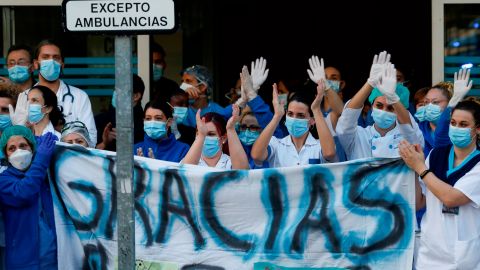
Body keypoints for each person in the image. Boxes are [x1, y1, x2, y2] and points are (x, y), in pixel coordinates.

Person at [399, 99, 480, 269]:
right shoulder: (436, 155)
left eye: (463, 124)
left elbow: (451, 198)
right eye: (453, 123)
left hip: (465, 256)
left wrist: (420, 167)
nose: (456, 128)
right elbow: (420, 202)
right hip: (430, 252)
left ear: (477, 129)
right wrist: (412, 168)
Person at [336, 51, 424, 160]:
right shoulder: (359, 136)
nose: (384, 111)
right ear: (372, 106)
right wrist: (370, 83)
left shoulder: (408, 137)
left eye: (391, 107)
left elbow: (409, 130)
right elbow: (346, 121)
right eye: (379, 105)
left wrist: (393, 98)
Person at [9, 39, 97, 144]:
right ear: (36, 64)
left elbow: (91, 138)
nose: (51, 61)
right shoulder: (24, 96)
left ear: (62, 65)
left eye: (56, 58)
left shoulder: (79, 96)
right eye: (45, 57)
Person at [0, 126, 58, 270]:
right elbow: (24, 192)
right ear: (6, 155)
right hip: (22, 262)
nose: (18, 151)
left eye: (23, 146)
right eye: (11, 148)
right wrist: (41, 159)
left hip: (53, 259)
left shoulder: (46, 176)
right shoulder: (3, 180)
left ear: (32, 149)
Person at [251, 80, 337, 168]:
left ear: (312, 120)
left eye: (300, 115)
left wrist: (316, 110)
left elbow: (329, 153)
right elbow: (256, 155)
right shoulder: (276, 144)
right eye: (290, 114)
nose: (294, 118)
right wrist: (277, 116)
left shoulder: (319, 146)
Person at [182, 105, 249, 169]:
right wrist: (201, 136)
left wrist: (231, 129)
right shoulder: (188, 160)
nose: (204, 138)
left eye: (211, 134)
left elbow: (243, 173)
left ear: (224, 138)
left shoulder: (231, 163)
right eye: (199, 134)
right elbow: (184, 172)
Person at [95, 74, 145, 150]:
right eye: (115, 89)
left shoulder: (146, 124)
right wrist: (105, 143)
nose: (116, 94)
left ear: (136, 96)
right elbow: (90, 157)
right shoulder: (101, 120)